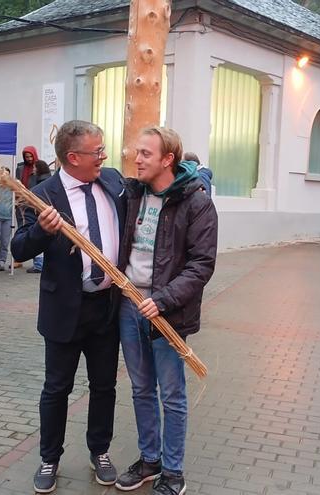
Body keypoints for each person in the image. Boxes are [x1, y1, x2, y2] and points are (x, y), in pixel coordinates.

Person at [11, 120, 127, 493]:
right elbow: (18, 248)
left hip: (106, 307)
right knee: (56, 389)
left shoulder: (111, 181)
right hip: (65, 310)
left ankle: (100, 451)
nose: (104, 156)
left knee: (104, 386)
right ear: (72, 157)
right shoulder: (42, 194)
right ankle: (49, 458)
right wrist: (42, 231)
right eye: (98, 151)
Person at [114, 128, 218, 495]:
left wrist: (164, 299)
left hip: (166, 313)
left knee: (171, 395)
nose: (136, 159)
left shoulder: (196, 202)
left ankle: (173, 472)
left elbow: (202, 264)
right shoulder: (131, 194)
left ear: (167, 160)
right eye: (136, 152)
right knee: (141, 389)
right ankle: (150, 459)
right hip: (129, 306)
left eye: (145, 153)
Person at [15, 145, 44, 273]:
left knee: (36, 229)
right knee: (22, 228)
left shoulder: (39, 168)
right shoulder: (20, 168)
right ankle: (19, 258)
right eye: (26, 157)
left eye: (30, 156)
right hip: (21, 203)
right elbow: (17, 184)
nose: (29, 158)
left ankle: (38, 262)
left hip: (34, 203)